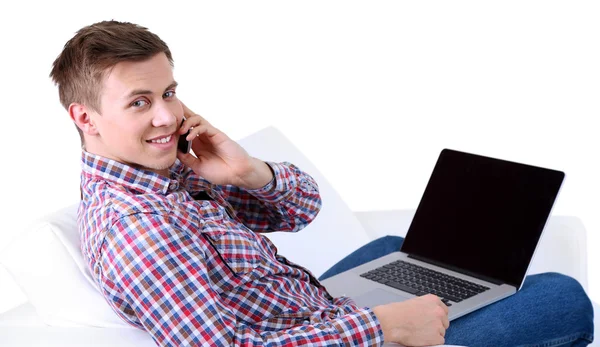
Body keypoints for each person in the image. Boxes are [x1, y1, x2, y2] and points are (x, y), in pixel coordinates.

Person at [49, 20, 594, 347]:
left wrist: (247, 173)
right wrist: (381, 328)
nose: (167, 117)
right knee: (560, 297)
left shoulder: (167, 177)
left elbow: (299, 211)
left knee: (394, 251)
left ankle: (456, 299)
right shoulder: (138, 227)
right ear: (85, 117)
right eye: (139, 103)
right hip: (337, 336)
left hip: (307, 311)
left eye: (168, 92)